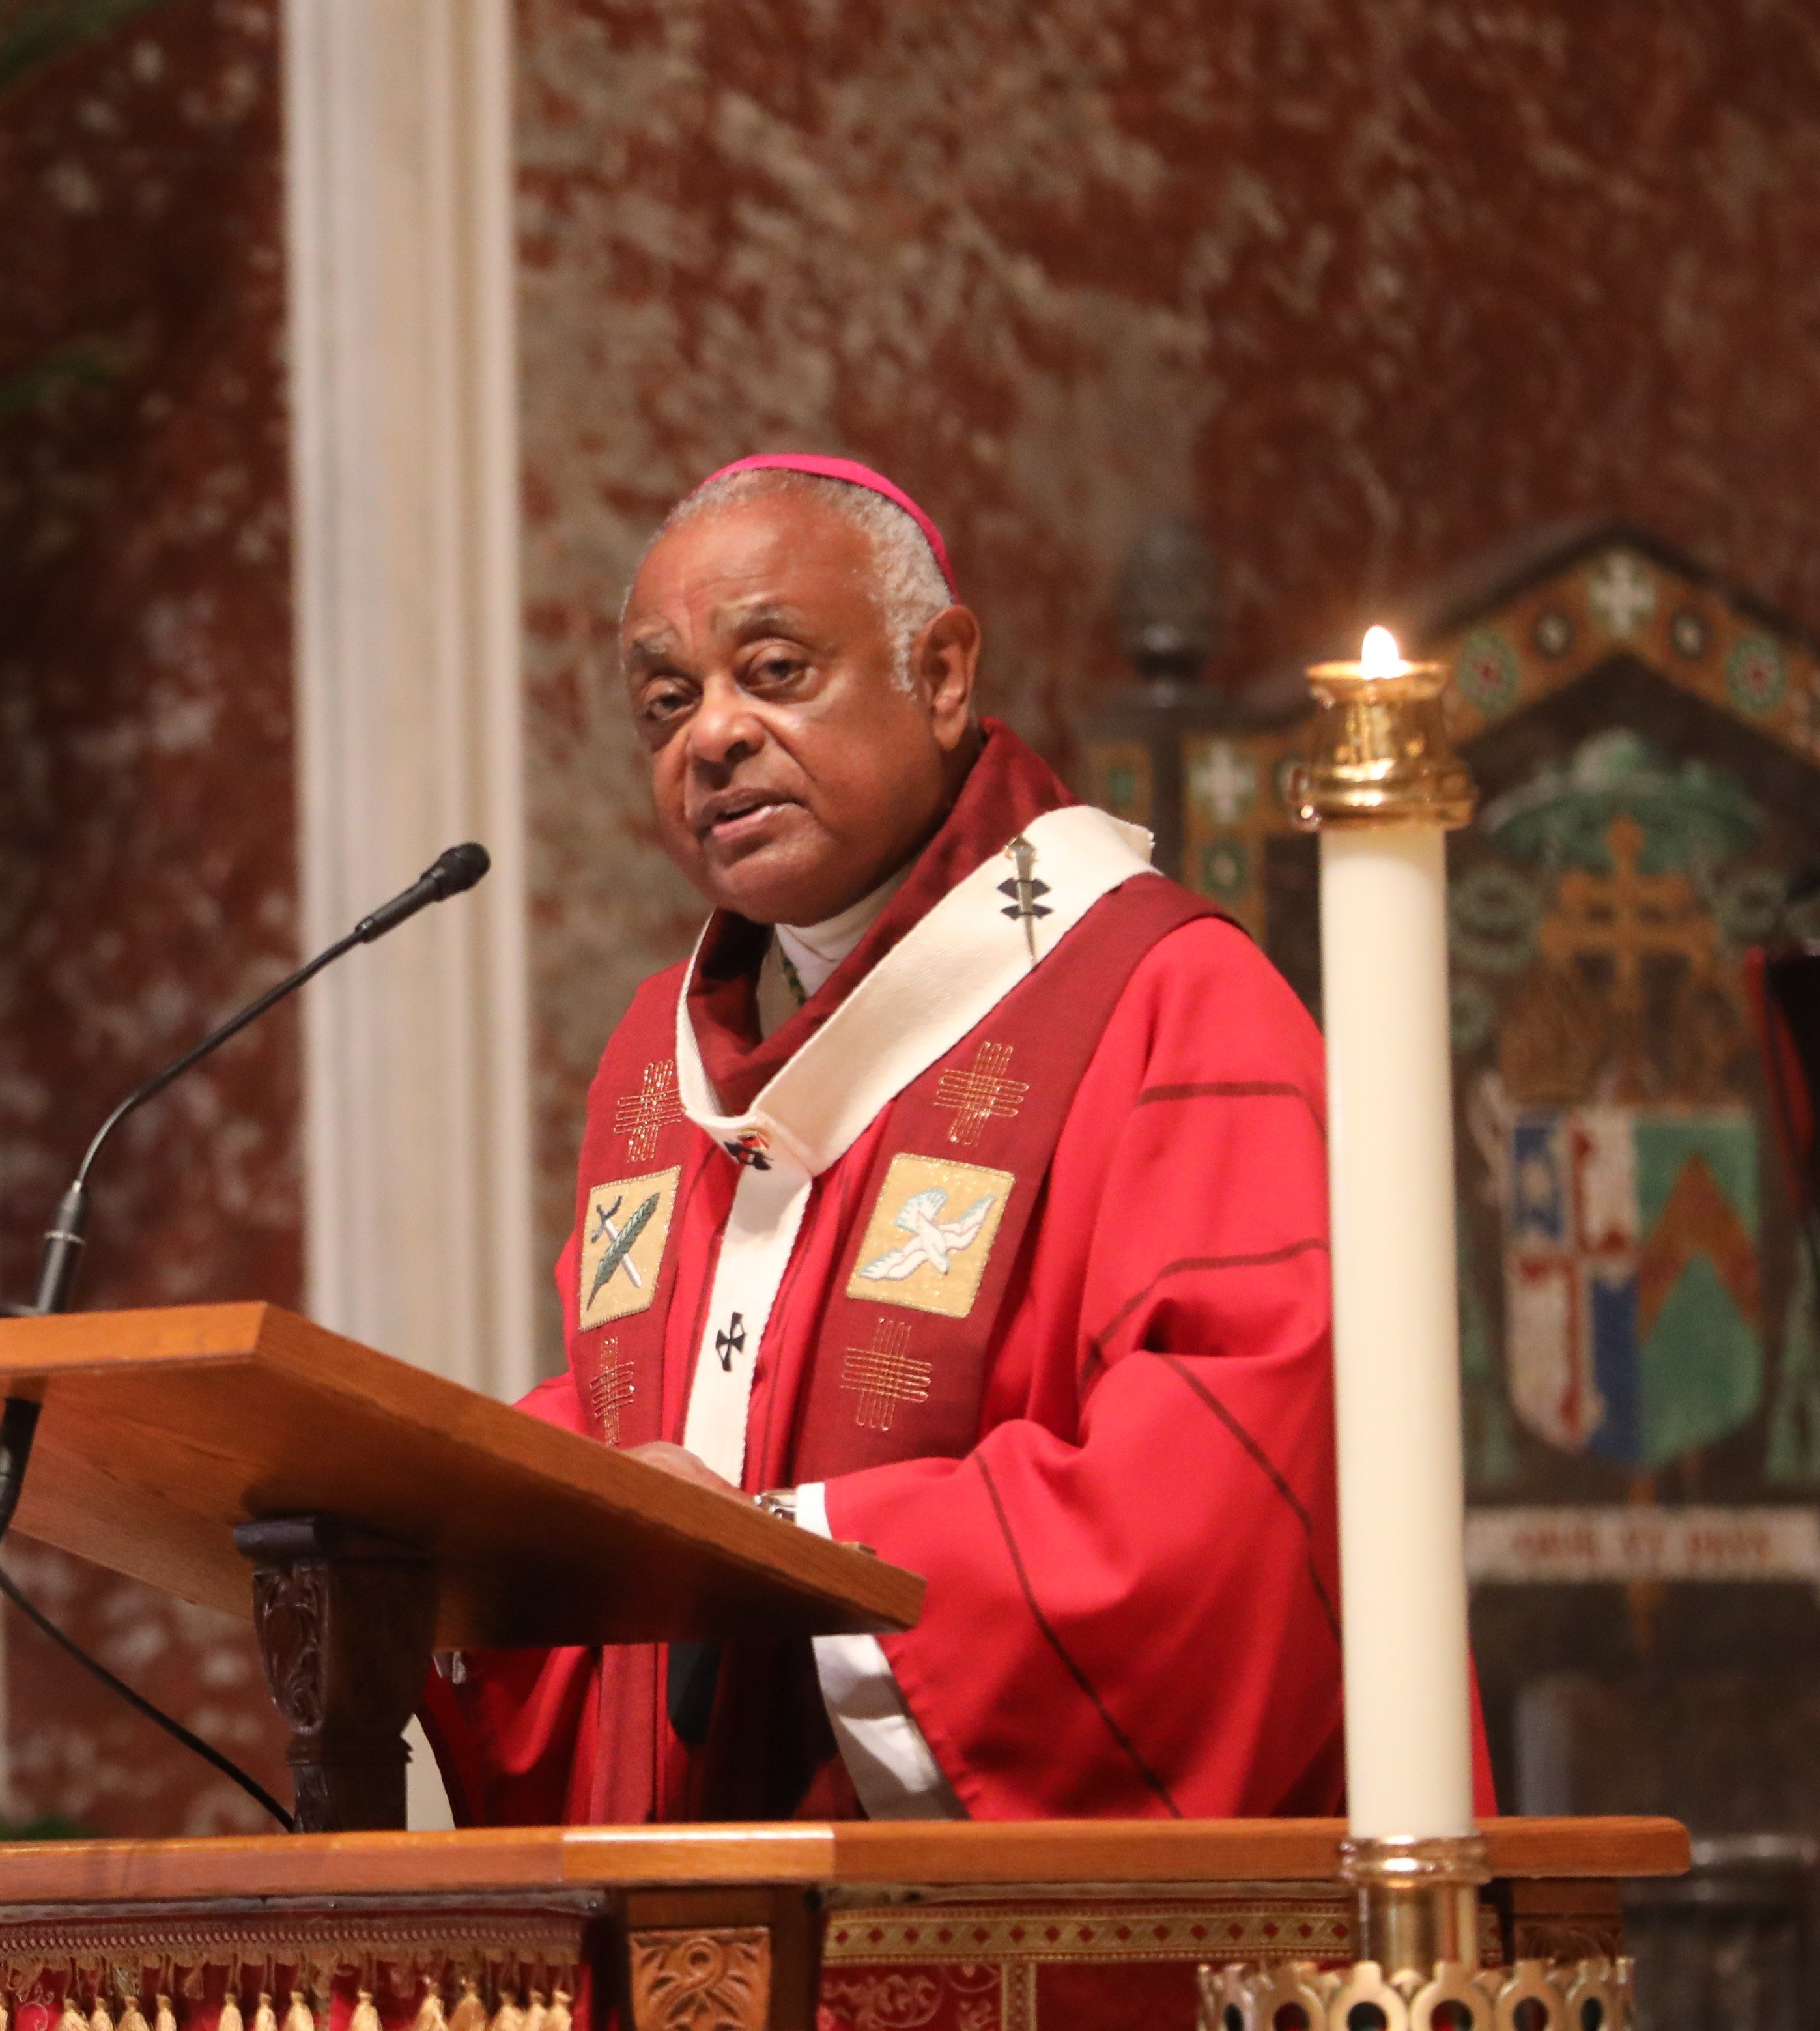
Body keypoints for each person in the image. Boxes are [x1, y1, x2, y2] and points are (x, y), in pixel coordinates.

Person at [424, 453, 1367, 1828]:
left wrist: (786, 1556)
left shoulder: (1165, 1002)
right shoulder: (666, 1063)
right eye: (666, 703)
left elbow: (1225, 1482)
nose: (715, 737)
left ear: (940, 675)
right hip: (706, 1944)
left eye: (776, 670)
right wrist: (453, 1525)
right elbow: (652, 1419)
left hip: (1034, 1969)